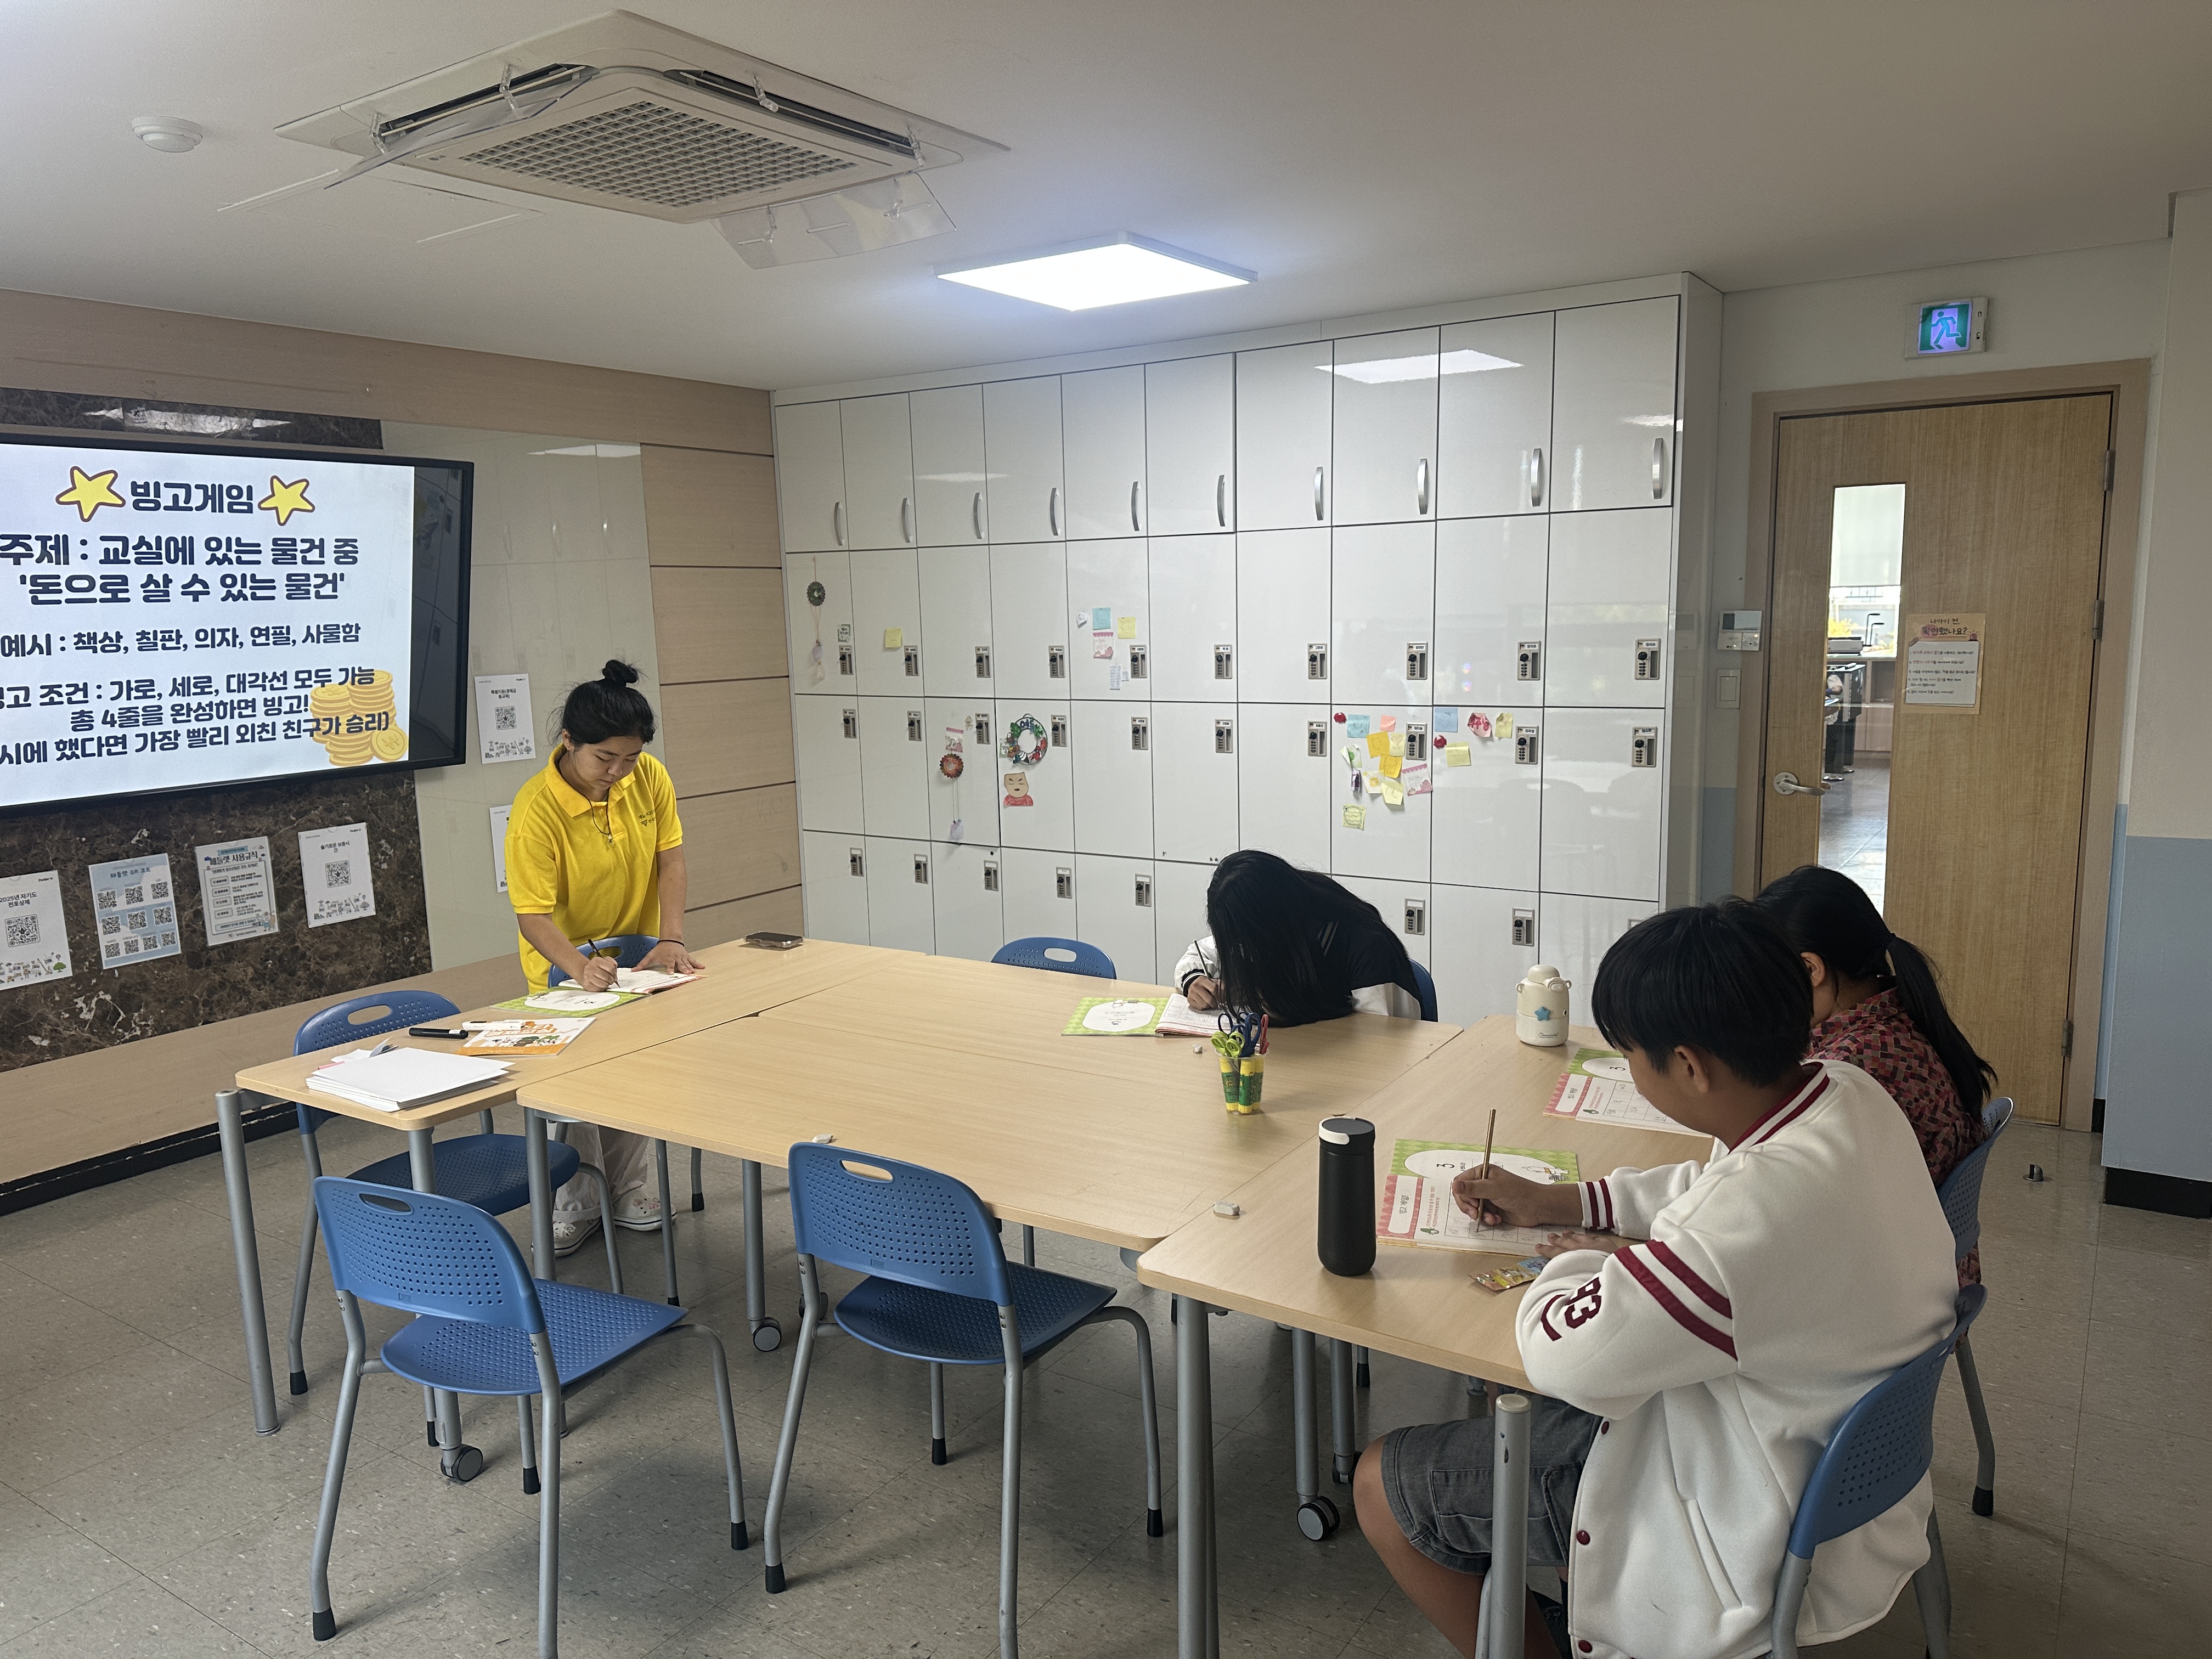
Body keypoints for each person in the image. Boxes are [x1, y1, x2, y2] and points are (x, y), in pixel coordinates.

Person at [1361, 901, 1958, 1659]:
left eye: (1632, 1056)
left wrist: (1581, 1255)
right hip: (1833, 1462)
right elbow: (1711, 1185)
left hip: (1739, 1509)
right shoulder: (1847, 1091)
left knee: (1380, 1483)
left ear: (1688, 1067)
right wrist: (1566, 1201)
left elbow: (1563, 1356)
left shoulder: (1741, 1229)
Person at [505, 661, 705, 1255]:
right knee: (576, 1090)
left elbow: (671, 858)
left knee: (636, 1076)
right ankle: (575, 1203)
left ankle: (628, 1190)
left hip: (637, 957)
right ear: (569, 741)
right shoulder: (536, 810)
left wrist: (672, 938)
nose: (618, 772)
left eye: (630, 759)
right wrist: (578, 967)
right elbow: (533, 915)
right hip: (564, 965)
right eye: (605, 759)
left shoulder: (650, 778)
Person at [1754, 865, 1996, 1284]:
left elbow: (1787, 1202)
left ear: (1811, 970)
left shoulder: (1852, 1069)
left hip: (1893, 1285)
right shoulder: (1897, 1016)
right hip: (1923, 1268)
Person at [1173, 850, 1421, 1024]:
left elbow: (1381, 1040)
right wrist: (1193, 980)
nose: (1244, 950)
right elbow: (1201, 953)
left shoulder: (1365, 946)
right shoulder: (1264, 929)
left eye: (1247, 942)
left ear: (1271, 926)